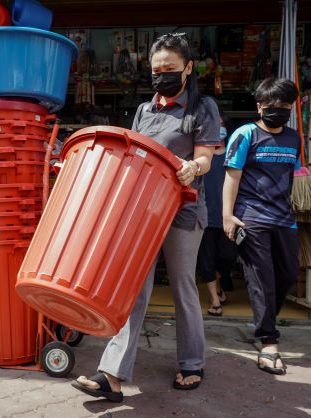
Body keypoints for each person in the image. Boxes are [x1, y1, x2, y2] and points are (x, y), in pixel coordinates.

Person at [71, 33, 221, 402]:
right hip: (144, 213)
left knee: (184, 288)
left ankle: (191, 362)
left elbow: (205, 157)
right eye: (156, 70)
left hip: (184, 211)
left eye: (169, 69)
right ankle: (112, 375)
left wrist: (192, 167)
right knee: (134, 288)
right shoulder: (144, 111)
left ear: (188, 68)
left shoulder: (202, 108)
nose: (162, 76)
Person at [222, 77, 300, 375]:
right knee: (261, 278)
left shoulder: (294, 138)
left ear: (291, 107)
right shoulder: (245, 134)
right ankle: (269, 341)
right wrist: (227, 216)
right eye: (271, 106)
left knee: (288, 274)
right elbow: (233, 176)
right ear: (259, 107)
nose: (277, 110)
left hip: (285, 218)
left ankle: (264, 321)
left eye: (284, 106)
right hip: (251, 217)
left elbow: (295, 176)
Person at [198, 112, 238, 316]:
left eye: (223, 125)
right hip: (205, 215)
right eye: (216, 125)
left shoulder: (233, 153)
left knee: (227, 257)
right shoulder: (202, 155)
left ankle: (220, 284)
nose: (219, 129)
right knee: (206, 260)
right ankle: (215, 301)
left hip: (227, 216)